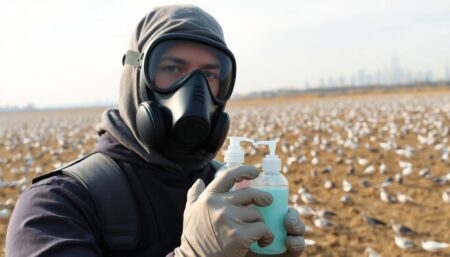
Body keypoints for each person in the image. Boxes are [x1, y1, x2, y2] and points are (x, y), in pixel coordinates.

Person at [6, 4, 306, 257]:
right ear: (135, 78)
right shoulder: (56, 206)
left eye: (210, 75)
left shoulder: (231, 191)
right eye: (173, 69)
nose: (195, 91)